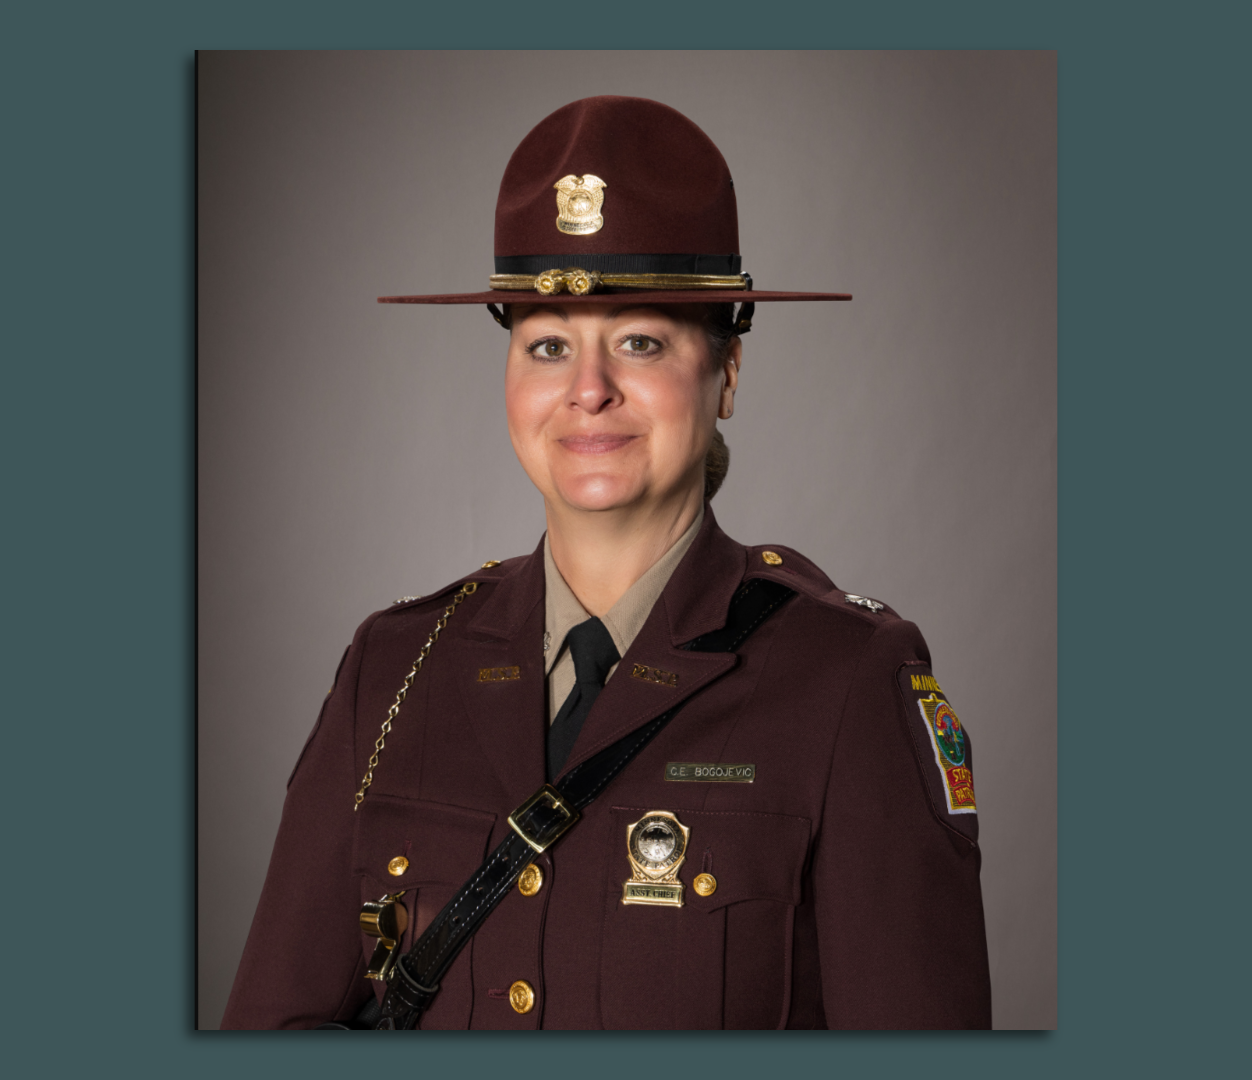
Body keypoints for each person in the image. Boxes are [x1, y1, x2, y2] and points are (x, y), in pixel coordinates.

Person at [220, 95, 990, 1030]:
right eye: (549, 345)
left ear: (727, 374)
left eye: (640, 342)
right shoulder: (392, 670)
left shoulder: (846, 682)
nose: (588, 390)